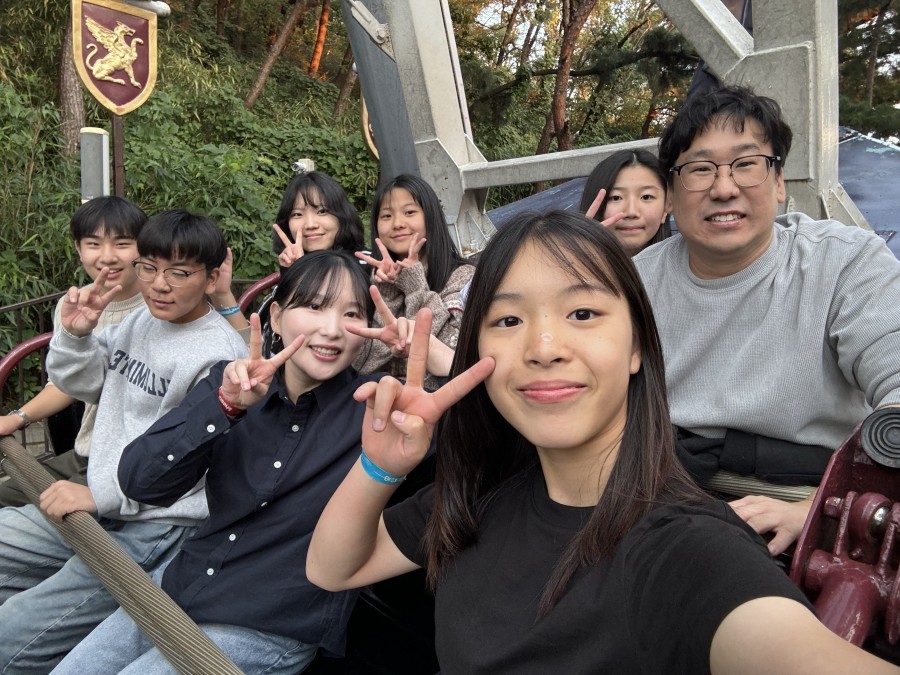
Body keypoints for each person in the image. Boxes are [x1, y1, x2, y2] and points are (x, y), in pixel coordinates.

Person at [306, 211, 896, 674]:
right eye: (508, 321)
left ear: (638, 347)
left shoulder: (687, 550)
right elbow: (333, 567)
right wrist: (380, 467)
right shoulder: (482, 494)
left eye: (583, 313)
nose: (543, 347)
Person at [51, 251, 418, 674]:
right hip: (180, 585)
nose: (332, 329)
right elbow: (140, 482)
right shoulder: (230, 384)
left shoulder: (379, 409)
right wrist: (224, 407)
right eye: (314, 307)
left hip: (268, 624)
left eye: (351, 314)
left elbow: (475, 449)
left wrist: (432, 356)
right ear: (276, 316)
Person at [631, 85, 900, 554]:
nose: (723, 188)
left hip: (821, 495)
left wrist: (819, 509)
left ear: (778, 182)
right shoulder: (635, 281)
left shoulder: (845, 263)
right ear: (670, 195)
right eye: (699, 169)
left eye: (746, 164)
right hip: (664, 491)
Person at [0, 210, 248, 673]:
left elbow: (195, 464)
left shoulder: (218, 355)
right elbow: (86, 383)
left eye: (179, 273)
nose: (159, 285)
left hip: (153, 525)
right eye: (149, 268)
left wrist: (103, 495)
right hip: (98, 498)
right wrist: (75, 335)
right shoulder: (141, 321)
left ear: (213, 277)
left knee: (11, 634)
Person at [0, 197, 147, 506]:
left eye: (122, 244)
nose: (107, 257)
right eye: (93, 244)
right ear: (79, 250)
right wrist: (19, 417)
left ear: (144, 248)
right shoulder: (74, 305)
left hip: (129, 460)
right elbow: (66, 384)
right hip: (87, 450)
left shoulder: (162, 306)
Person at [209, 170, 366, 340]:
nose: (310, 224)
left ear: (343, 216)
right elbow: (258, 346)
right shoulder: (290, 273)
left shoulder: (365, 270)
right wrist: (222, 294)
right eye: (297, 214)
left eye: (322, 211)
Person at [355, 174, 475, 388]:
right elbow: (363, 364)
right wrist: (387, 291)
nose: (398, 224)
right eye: (386, 216)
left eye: (409, 212)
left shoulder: (463, 278)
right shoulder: (366, 283)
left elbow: (451, 354)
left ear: (430, 217)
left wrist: (414, 284)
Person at [579, 149, 671, 255]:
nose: (631, 212)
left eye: (646, 197)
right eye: (616, 198)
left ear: (666, 207)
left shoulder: (683, 261)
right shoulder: (569, 260)